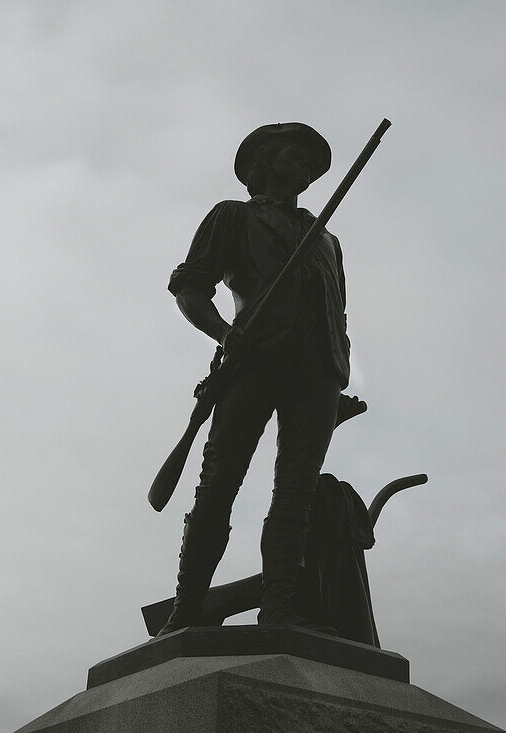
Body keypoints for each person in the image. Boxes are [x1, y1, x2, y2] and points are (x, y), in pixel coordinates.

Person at [159, 122, 351, 635]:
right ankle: (187, 610)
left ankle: (280, 607)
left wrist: (338, 379)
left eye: (314, 164)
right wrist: (224, 333)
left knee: (297, 494)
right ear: (265, 162)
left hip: (318, 376)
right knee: (218, 487)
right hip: (253, 362)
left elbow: (337, 314)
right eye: (298, 156)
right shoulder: (234, 217)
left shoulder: (327, 239)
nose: (308, 169)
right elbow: (190, 288)